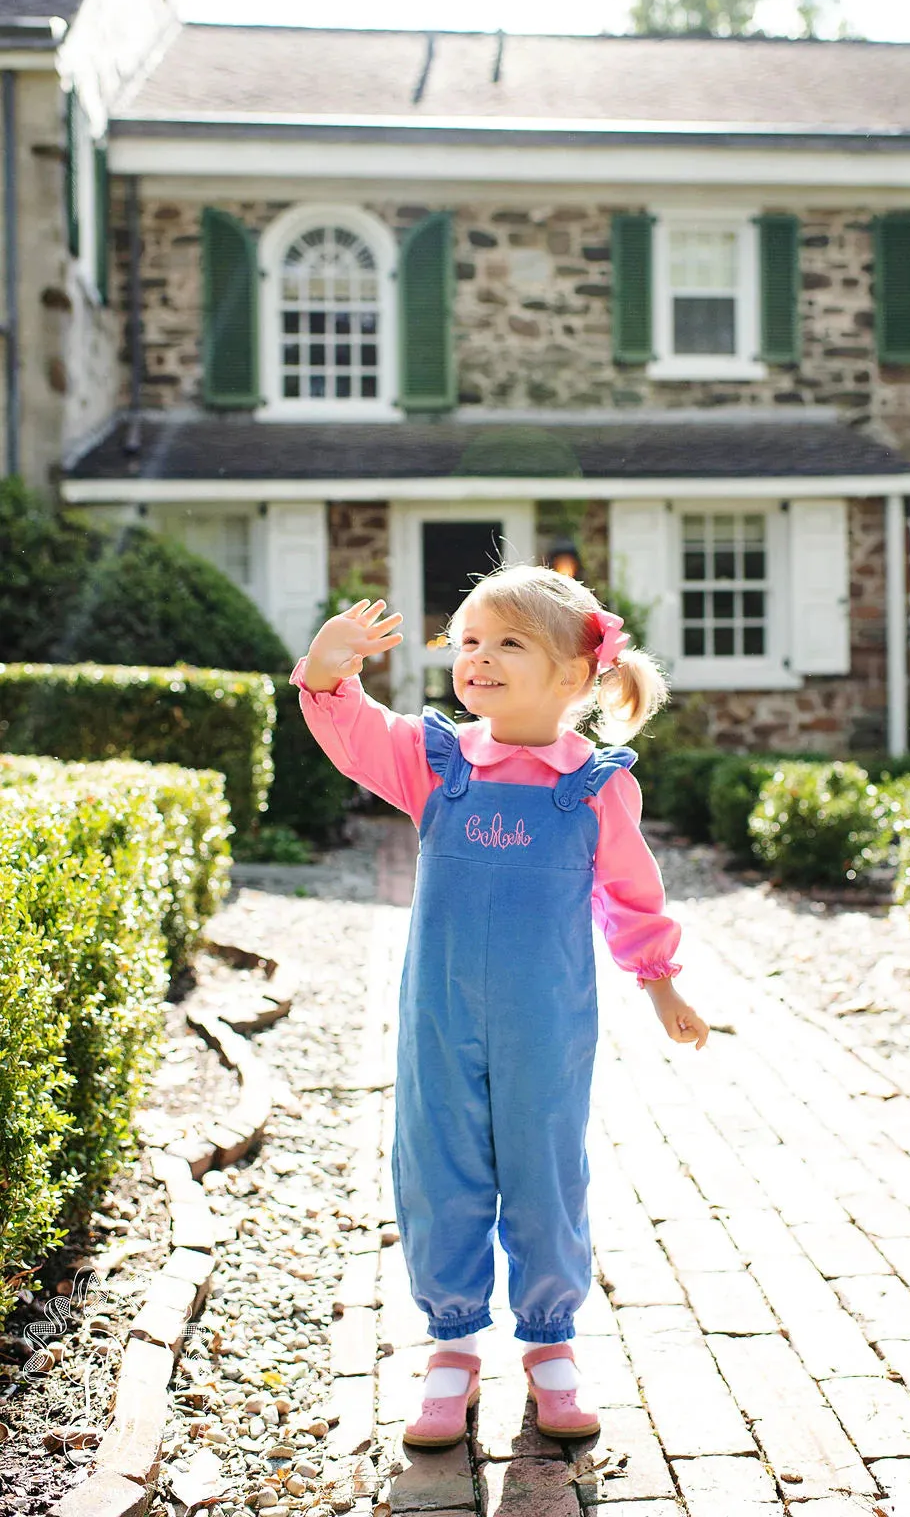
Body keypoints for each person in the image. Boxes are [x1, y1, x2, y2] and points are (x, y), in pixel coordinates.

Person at [292, 563, 709, 1449]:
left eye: (508, 642)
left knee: (544, 1173)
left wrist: (660, 980)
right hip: (440, 1020)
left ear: (573, 675)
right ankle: (450, 1346)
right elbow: (353, 730)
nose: (477, 657)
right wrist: (329, 669)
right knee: (438, 1169)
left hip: (546, 1025)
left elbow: (632, 894)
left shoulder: (594, 787)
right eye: (468, 640)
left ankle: (551, 1345)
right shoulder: (435, 763)